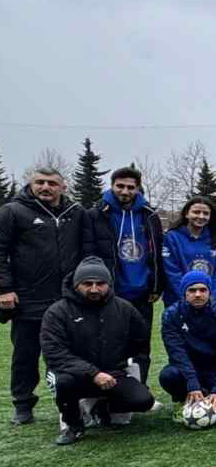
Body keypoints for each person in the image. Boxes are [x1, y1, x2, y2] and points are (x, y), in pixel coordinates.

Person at [40, 257, 154, 445]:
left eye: (100, 284)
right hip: (73, 374)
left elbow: (140, 342)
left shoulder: (124, 308)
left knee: (143, 400)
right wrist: (93, 373)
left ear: (109, 284)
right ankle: (73, 425)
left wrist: (123, 367)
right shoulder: (57, 312)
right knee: (63, 382)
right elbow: (55, 353)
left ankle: (101, 408)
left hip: (112, 374)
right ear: (76, 285)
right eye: (87, 284)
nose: (94, 289)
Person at [1, 167, 84, 424]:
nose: (45, 187)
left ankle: (71, 403)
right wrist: (4, 288)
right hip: (28, 298)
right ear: (31, 184)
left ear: (63, 187)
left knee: (70, 354)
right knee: (26, 355)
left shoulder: (76, 213)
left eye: (51, 183)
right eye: (40, 182)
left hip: (68, 299)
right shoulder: (13, 211)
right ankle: (23, 404)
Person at [80, 166, 165, 384]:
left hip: (142, 294)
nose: (125, 191)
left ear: (138, 189)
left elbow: (157, 253)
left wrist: (156, 286)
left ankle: (139, 389)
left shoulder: (149, 215)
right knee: (107, 345)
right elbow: (88, 253)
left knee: (141, 345)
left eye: (130, 187)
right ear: (112, 186)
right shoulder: (95, 214)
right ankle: (107, 390)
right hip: (110, 292)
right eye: (120, 186)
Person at [158, 270, 216, 413]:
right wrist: (192, 383)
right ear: (184, 293)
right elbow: (176, 352)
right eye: (192, 290)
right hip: (186, 368)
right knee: (168, 376)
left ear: (209, 292)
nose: (198, 294)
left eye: (203, 290)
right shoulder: (171, 315)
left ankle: (210, 394)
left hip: (213, 368)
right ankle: (186, 397)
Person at [162, 195, 216, 306]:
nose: (201, 216)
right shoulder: (173, 237)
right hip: (179, 301)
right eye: (196, 212)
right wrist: (189, 297)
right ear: (186, 214)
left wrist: (214, 298)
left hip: (209, 302)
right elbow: (172, 271)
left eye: (206, 213)